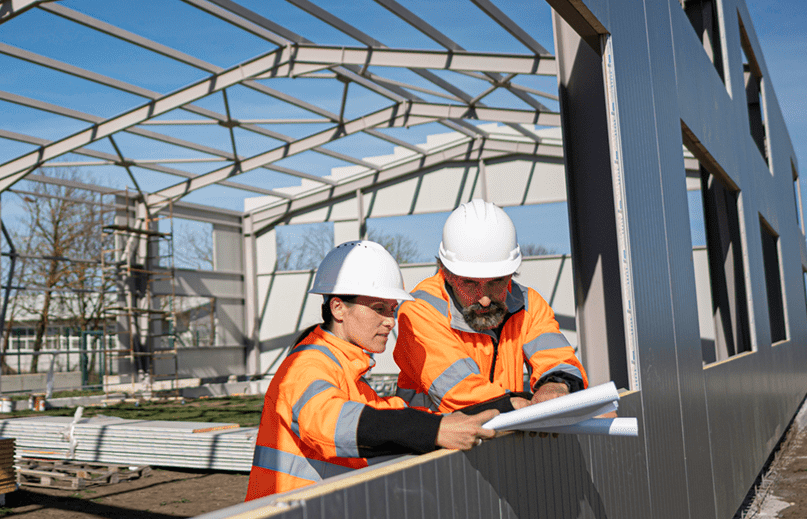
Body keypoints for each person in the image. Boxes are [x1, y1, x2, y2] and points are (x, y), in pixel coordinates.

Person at [245, 240, 498, 501]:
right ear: (338, 308)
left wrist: (452, 420)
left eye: (392, 309)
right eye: (379, 309)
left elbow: (387, 415)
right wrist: (432, 429)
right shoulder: (306, 366)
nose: (390, 321)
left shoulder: (349, 372)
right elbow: (332, 423)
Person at [394, 199, 588, 414]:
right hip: (435, 444)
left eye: (496, 282)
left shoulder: (527, 303)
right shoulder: (420, 310)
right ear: (446, 273)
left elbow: (557, 359)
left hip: (502, 435)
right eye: (470, 283)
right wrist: (527, 407)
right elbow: (459, 393)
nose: (484, 299)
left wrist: (556, 387)